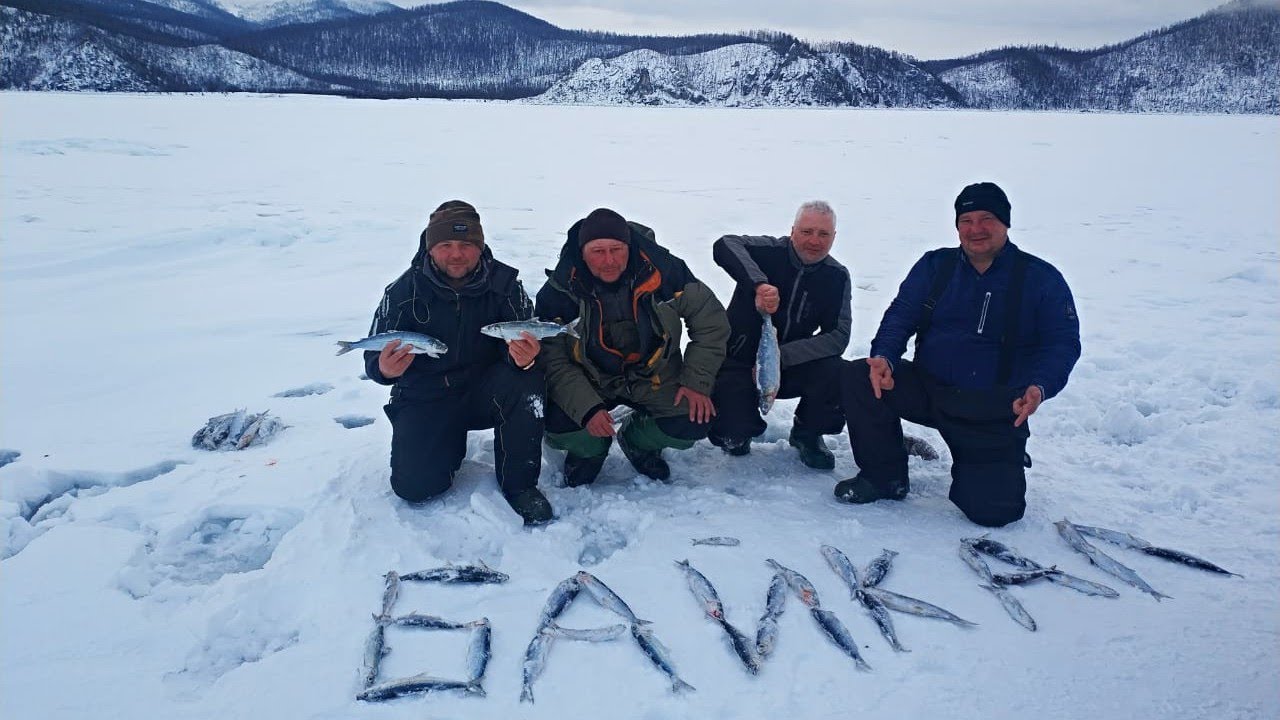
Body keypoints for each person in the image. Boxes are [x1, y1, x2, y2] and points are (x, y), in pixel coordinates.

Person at [834, 182, 1081, 527]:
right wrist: (885, 358)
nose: (976, 229)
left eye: (987, 219)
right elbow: (901, 315)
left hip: (993, 407)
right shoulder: (936, 266)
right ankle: (883, 476)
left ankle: (999, 455)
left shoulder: (1040, 279)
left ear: (1005, 223)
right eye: (966, 220)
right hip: (930, 390)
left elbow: (1062, 343)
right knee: (860, 375)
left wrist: (1040, 386)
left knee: (994, 511)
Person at [364, 200, 553, 525]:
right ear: (429, 248)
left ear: (479, 247)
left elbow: (531, 336)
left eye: (466, 245)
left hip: (486, 390)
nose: (456, 254)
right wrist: (383, 370)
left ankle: (520, 485)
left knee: (527, 381)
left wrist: (522, 358)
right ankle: (446, 447)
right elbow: (373, 351)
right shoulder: (402, 292)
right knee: (415, 487)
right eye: (445, 245)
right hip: (427, 395)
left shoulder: (506, 286)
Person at [536, 208, 730, 485]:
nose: (609, 261)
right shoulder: (559, 290)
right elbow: (554, 360)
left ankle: (638, 441)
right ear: (582, 252)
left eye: (617, 249)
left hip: (655, 376)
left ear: (629, 247)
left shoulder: (665, 273)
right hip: (592, 380)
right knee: (557, 420)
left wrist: (696, 382)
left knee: (693, 419)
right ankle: (590, 451)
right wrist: (588, 409)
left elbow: (711, 323)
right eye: (598, 251)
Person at [707, 201, 852, 469]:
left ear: (834, 237)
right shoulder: (767, 251)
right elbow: (725, 244)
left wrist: (780, 356)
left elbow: (838, 335)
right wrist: (758, 285)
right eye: (807, 232)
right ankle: (741, 430)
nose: (814, 241)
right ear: (793, 230)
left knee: (838, 371)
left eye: (823, 234)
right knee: (731, 432)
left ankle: (807, 432)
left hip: (790, 365)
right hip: (739, 362)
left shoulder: (837, 276)